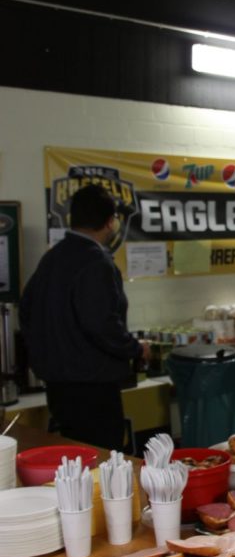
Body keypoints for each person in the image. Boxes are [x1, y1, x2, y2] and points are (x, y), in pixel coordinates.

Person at [19, 183, 149, 450]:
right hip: (93, 387)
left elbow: (26, 311)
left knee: (72, 457)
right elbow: (101, 324)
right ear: (110, 222)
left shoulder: (51, 259)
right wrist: (135, 348)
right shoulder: (96, 262)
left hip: (57, 386)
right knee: (101, 458)